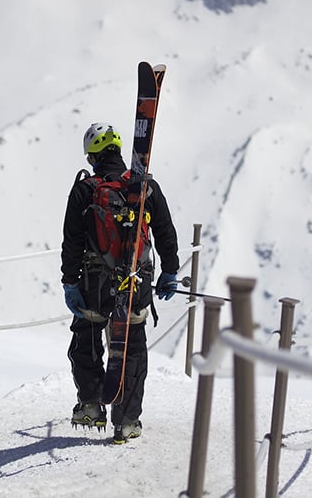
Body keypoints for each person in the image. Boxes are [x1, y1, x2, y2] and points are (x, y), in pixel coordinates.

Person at [60, 122, 180, 444]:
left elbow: (71, 242)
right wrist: (169, 272)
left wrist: (70, 282)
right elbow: (166, 233)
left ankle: (90, 405)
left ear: (92, 156)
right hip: (135, 282)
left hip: (93, 284)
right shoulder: (144, 187)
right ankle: (127, 421)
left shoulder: (86, 190)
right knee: (133, 349)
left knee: (86, 339)